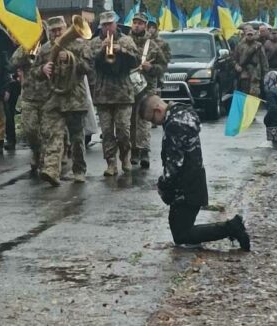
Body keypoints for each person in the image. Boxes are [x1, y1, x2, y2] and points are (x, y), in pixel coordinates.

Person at [137, 95, 250, 251]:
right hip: (194, 180)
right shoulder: (183, 113)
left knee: (182, 235)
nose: (153, 124)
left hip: (185, 187)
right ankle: (231, 227)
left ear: (158, 110)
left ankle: (231, 227)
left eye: (152, 119)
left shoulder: (173, 125)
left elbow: (174, 163)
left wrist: (163, 185)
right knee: (180, 231)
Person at [32, 16, 92, 185]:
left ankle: (79, 170)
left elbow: (88, 68)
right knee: (53, 135)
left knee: (77, 138)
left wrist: (72, 58)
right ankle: (51, 170)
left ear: (66, 28)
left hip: (75, 99)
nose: (57, 33)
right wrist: (42, 69)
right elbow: (34, 73)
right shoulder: (44, 50)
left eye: (60, 29)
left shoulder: (80, 45)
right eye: (53, 31)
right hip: (53, 100)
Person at [88, 11, 140, 176]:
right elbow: (88, 63)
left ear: (115, 24)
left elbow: (136, 61)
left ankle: (125, 156)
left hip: (123, 94)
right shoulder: (95, 42)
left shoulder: (126, 40)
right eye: (104, 25)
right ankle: (111, 163)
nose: (107, 28)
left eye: (110, 24)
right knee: (107, 132)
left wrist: (122, 50)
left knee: (124, 130)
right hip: (103, 95)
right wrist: (101, 51)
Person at [128, 12, 166, 169]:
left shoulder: (153, 45)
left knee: (144, 120)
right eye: (135, 22)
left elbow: (162, 68)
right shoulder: (124, 41)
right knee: (130, 122)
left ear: (145, 26)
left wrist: (151, 68)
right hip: (128, 87)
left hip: (147, 88)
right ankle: (133, 151)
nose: (137, 25)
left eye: (140, 23)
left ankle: (144, 151)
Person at [10, 34, 50, 175]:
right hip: (28, 95)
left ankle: (46, 159)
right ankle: (36, 151)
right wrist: (25, 50)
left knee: (46, 131)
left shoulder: (48, 47)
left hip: (47, 96)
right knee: (30, 129)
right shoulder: (24, 47)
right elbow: (12, 63)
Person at [232, 26, 268, 97]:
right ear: (245, 34)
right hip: (244, 73)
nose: (250, 36)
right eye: (248, 34)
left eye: (251, 34)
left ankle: (253, 108)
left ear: (254, 35)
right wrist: (237, 66)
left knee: (254, 93)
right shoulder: (240, 45)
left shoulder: (258, 45)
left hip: (255, 73)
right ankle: (246, 108)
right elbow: (234, 59)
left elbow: (264, 60)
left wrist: (265, 73)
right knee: (244, 93)